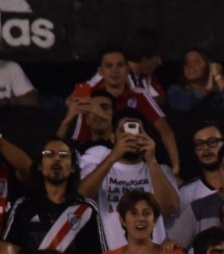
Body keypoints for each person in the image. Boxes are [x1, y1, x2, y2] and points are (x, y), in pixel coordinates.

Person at [3, 139, 105, 254]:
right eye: (49, 154)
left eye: (64, 155)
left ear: (72, 168)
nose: (57, 159)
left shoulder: (86, 209)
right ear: (39, 166)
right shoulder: (23, 207)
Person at [77, 111, 180, 250]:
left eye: (138, 131)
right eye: (123, 131)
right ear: (113, 137)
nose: (131, 136)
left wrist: (151, 160)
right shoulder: (95, 169)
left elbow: (171, 208)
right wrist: (113, 156)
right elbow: (80, 198)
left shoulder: (161, 170)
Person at [71, 46, 180, 176]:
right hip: (99, 162)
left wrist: (176, 169)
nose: (115, 70)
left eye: (120, 65)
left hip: (134, 161)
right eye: (109, 66)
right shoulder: (90, 99)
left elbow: (166, 131)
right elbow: (80, 141)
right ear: (101, 71)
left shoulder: (139, 95)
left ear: (127, 68)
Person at [167, 48, 224, 112]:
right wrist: (205, 91)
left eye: (197, 61)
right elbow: (181, 106)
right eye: (187, 62)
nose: (190, 65)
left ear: (209, 65)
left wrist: (218, 76)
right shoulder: (176, 90)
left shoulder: (221, 87)